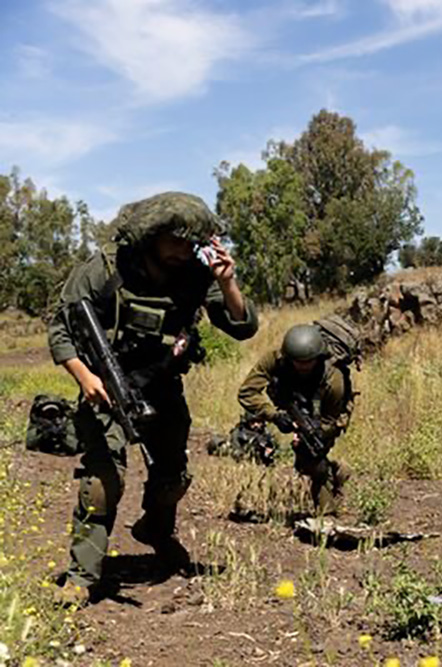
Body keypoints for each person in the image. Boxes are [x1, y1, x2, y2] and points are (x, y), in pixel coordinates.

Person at [48, 192, 259, 604]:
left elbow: (242, 326)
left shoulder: (197, 273)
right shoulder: (106, 268)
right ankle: (81, 577)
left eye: (192, 242)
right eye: (178, 241)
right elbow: (60, 327)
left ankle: (157, 533)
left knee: (172, 477)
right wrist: (85, 376)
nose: (185, 250)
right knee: (104, 480)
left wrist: (227, 281)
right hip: (105, 385)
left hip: (161, 385)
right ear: (153, 235)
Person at [237, 323, 354, 515]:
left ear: (319, 357)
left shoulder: (334, 380)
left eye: (308, 362)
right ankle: (330, 481)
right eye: (297, 362)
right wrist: (274, 416)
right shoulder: (275, 360)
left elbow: (334, 419)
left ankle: (327, 512)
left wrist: (318, 431)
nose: (302, 367)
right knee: (307, 461)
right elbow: (247, 392)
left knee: (312, 459)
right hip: (293, 404)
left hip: (325, 414)